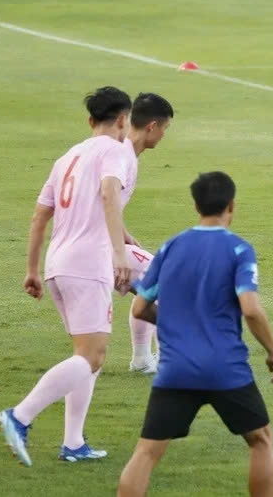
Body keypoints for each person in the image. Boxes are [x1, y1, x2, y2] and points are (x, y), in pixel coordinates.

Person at [117, 172, 273, 497]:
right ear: (232, 205)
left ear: (196, 205)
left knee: (147, 452)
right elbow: (250, 308)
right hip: (226, 368)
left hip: (175, 370)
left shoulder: (171, 247)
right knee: (261, 439)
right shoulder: (238, 249)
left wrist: (172, 322)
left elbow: (140, 309)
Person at [0, 86, 134, 466]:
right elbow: (109, 194)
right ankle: (19, 416)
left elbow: (40, 215)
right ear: (123, 119)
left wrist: (32, 269)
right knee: (92, 355)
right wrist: (120, 255)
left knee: (88, 356)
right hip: (88, 266)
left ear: (91, 120)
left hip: (59, 266)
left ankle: (73, 443)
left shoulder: (67, 157)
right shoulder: (115, 151)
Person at [119, 92, 175, 374]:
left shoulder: (123, 153)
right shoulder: (122, 158)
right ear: (152, 126)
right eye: (165, 128)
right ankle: (168, 359)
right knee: (165, 281)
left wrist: (122, 231)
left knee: (149, 284)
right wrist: (118, 250)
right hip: (95, 249)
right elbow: (101, 200)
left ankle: (143, 359)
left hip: (87, 245)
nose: (164, 135)